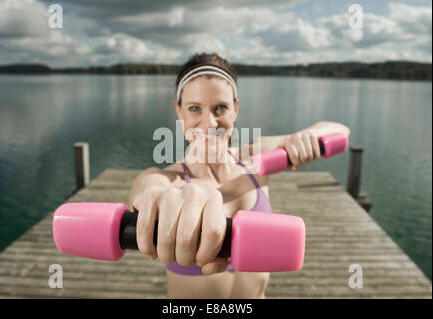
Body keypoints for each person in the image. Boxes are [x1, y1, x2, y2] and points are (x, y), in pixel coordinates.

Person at [129, 52, 350, 298]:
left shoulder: (255, 161)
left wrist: (302, 139)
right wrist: (158, 199)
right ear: (179, 111)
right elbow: (147, 189)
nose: (209, 123)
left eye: (220, 108)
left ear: (235, 109)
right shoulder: (168, 180)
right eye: (194, 108)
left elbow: (340, 129)